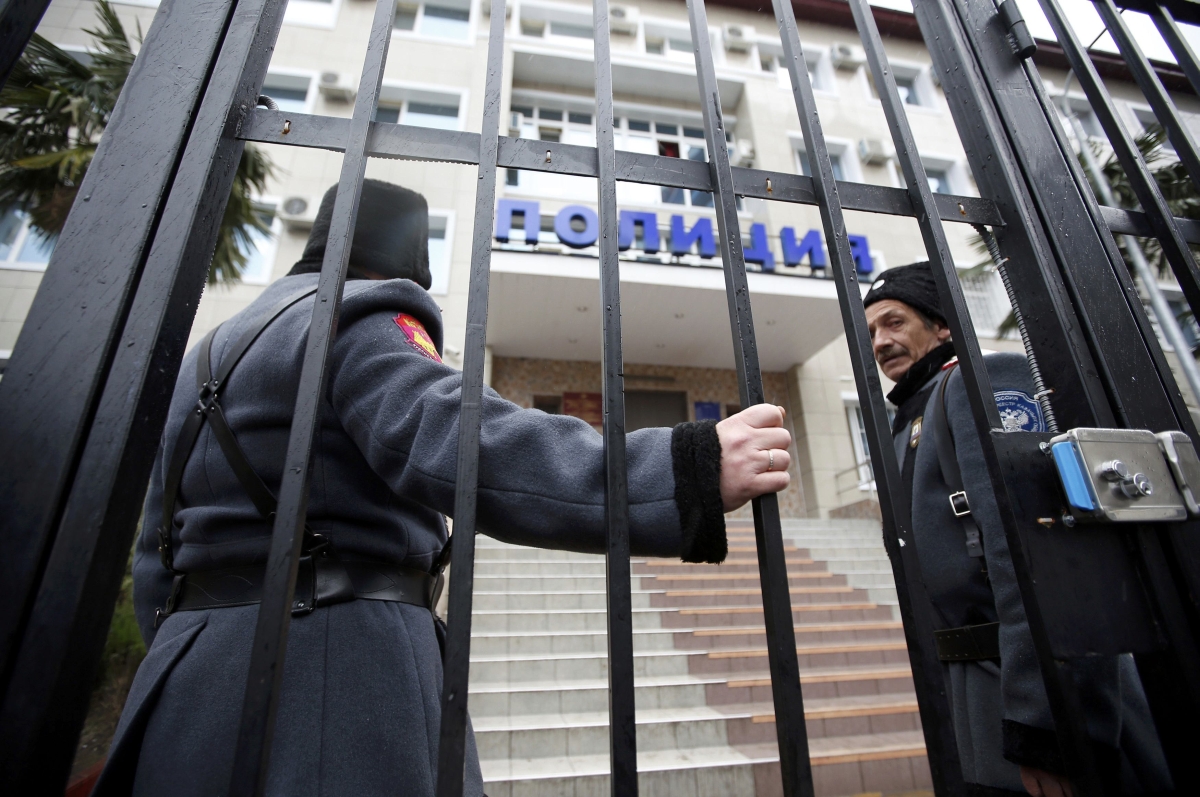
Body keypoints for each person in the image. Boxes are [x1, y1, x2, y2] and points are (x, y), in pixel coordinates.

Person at [92, 179, 792, 796]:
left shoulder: (211, 351)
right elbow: (458, 439)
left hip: (187, 681)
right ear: (409, 261)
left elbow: (156, 551)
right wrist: (683, 467)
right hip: (336, 676)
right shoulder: (362, 316)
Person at [864, 262, 1171, 797]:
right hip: (977, 682)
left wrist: (1048, 722)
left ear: (942, 326)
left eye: (894, 322)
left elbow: (1039, 548)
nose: (881, 341)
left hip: (1035, 677)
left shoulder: (984, 380)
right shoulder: (911, 414)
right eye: (871, 333)